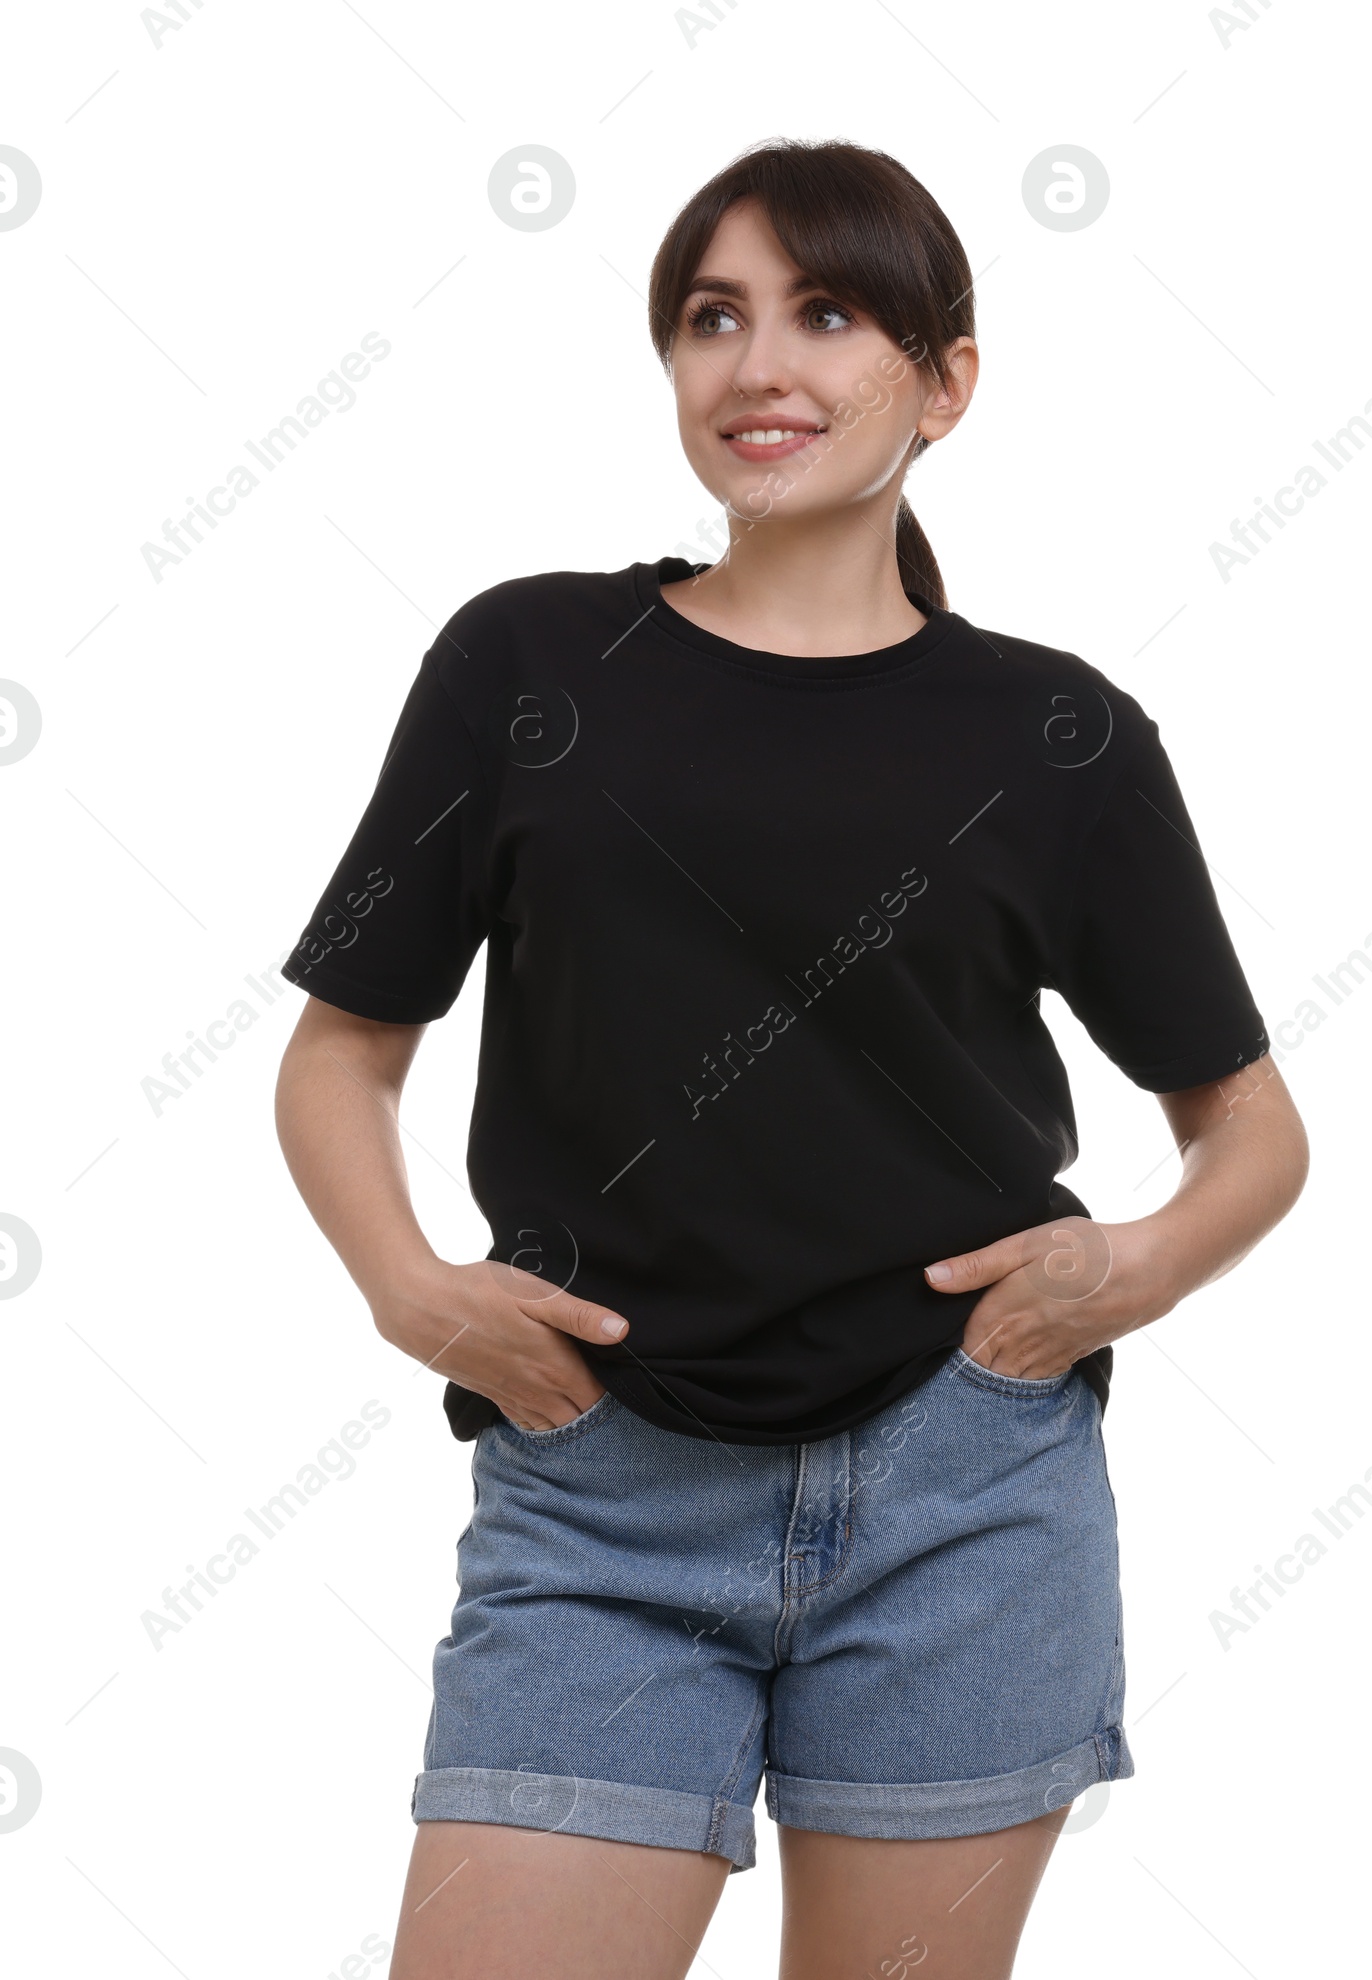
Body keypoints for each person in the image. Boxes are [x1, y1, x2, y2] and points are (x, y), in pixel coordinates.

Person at [275, 137, 1309, 1980]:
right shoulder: (531, 660)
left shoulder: (1057, 735)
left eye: (828, 313)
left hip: (965, 1489)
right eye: (711, 318)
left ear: (946, 380)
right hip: (595, 1488)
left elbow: (1247, 1130)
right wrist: (408, 1291)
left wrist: (1121, 1271)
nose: (761, 365)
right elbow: (345, 1052)